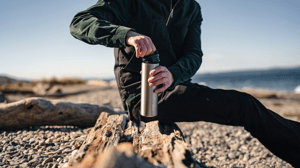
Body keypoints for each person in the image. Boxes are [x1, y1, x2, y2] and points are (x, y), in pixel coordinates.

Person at [70, 0, 300, 167]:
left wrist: (173, 73)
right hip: (141, 97)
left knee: (245, 104)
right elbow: (80, 23)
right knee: (243, 105)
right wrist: (127, 34)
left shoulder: (192, 8)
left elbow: (194, 55)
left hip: (176, 87)